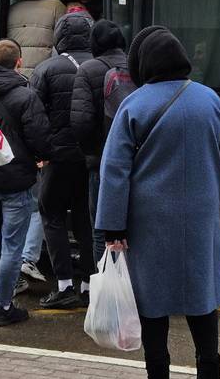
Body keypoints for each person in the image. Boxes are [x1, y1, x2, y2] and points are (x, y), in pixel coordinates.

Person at [96, 26, 220, 379]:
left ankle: (158, 372)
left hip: (148, 220)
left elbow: (114, 169)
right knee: (201, 297)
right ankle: (209, 369)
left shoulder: (134, 104)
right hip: (199, 216)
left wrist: (112, 225)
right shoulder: (210, 100)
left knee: (152, 304)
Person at [0, 39, 52, 326]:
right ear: (18, 62)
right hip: (16, 180)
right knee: (11, 246)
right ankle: (3, 307)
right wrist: (42, 156)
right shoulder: (25, 95)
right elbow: (39, 137)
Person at [30, 12, 95, 309]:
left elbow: (34, 116)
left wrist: (39, 154)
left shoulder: (46, 69)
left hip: (57, 158)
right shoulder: (101, 66)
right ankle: (88, 285)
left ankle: (64, 285)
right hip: (91, 158)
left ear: (59, 37)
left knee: (51, 214)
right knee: (86, 218)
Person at [70, 19, 128, 263]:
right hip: (134, 161)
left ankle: (105, 291)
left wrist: (93, 154)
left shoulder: (89, 69)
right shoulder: (136, 66)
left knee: (100, 230)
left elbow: (81, 122)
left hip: (101, 162)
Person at [7, 0, 66, 76]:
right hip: (43, 70)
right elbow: (62, 38)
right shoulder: (57, 6)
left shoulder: (14, 7)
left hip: (16, 68)